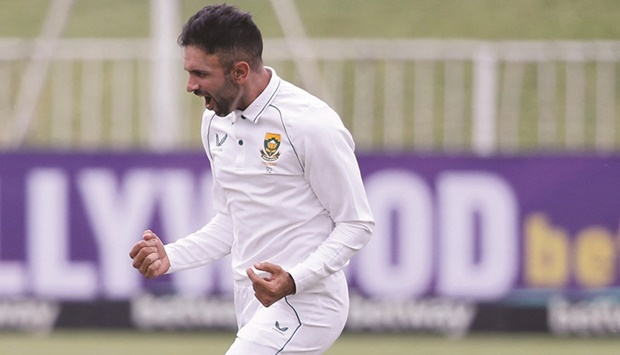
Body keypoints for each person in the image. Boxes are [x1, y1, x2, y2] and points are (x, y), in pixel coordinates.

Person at [129, 4, 374, 354]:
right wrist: (171, 257)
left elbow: (357, 223)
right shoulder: (214, 121)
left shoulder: (310, 124)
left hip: (308, 305)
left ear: (240, 71)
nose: (190, 85)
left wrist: (294, 280)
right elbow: (232, 220)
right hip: (252, 304)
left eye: (200, 73)